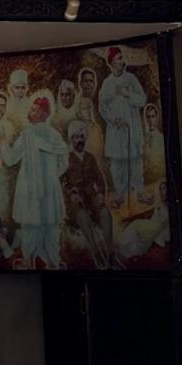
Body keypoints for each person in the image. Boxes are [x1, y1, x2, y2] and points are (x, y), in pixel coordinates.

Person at [5, 92, 69, 268]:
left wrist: (3, 143)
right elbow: (64, 162)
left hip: (31, 189)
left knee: (31, 229)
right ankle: (53, 263)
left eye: (33, 110)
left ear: (42, 113)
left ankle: (30, 262)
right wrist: (51, 177)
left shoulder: (27, 135)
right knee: (50, 229)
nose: (30, 113)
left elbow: (10, 159)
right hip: (49, 189)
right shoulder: (54, 135)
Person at [63, 112, 114, 269]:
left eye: (82, 136)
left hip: (91, 196)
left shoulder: (90, 158)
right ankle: (96, 253)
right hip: (74, 200)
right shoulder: (65, 158)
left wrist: (100, 194)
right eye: (76, 137)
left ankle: (110, 252)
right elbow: (60, 182)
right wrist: (70, 194)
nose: (79, 140)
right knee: (83, 216)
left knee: (105, 214)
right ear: (71, 139)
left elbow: (100, 180)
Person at [99, 48, 149, 208]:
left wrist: (128, 94)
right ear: (112, 62)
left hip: (131, 128)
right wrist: (114, 120)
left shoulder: (131, 79)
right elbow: (102, 107)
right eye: (119, 58)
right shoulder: (107, 83)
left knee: (135, 161)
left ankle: (140, 192)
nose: (122, 61)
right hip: (116, 130)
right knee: (118, 164)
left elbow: (142, 100)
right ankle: (121, 195)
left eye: (122, 58)